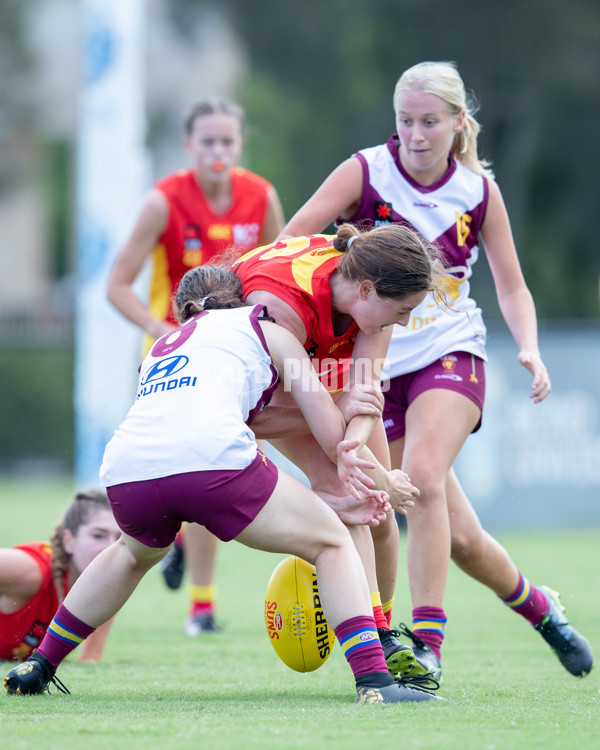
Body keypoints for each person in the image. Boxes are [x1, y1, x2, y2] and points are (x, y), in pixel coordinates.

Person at [275, 60, 594, 681]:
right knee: (460, 536)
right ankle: (543, 611)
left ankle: (424, 648)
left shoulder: (479, 192)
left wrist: (528, 345)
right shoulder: (364, 171)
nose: (415, 135)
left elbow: (513, 286)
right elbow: (293, 238)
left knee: (418, 477)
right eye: (405, 121)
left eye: (429, 122)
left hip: (452, 352)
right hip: (374, 367)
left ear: (458, 123)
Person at [4, 266, 441, 704]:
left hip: (127, 469)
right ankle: (375, 682)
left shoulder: (161, 346)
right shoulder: (267, 330)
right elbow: (329, 434)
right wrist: (351, 426)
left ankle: (40, 663)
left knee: (130, 554)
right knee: (331, 542)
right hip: (211, 461)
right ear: (243, 296)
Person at [107, 98, 285, 636]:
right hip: (173, 360)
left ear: (239, 144)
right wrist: (165, 332)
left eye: (227, 141)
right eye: (207, 141)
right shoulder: (164, 202)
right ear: (189, 146)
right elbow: (117, 286)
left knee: (218, 463)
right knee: (195, 466)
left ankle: (201, 606)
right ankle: (178, 547)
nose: (218, 151)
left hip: (233, 361)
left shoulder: (261, 196)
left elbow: (278, 272)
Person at [232, 221, 441, 678]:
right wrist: (378, 474)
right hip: (264, 396)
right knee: (353, 497)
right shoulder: (280, 307)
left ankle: (380, 632)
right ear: (366, 289)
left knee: (378, 509)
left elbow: (365, 395)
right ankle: (372, 655)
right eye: (402, 311)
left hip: (319, 380)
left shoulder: (373, 293)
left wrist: (362, 456)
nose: (404, 322)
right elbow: (266, 414)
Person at [0, 489, 121, 664]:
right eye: (98, 535)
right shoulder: (31, 570)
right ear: (69, 541)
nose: (111, 548)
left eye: (119, 539)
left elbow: (90, 660)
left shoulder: (106, 588)